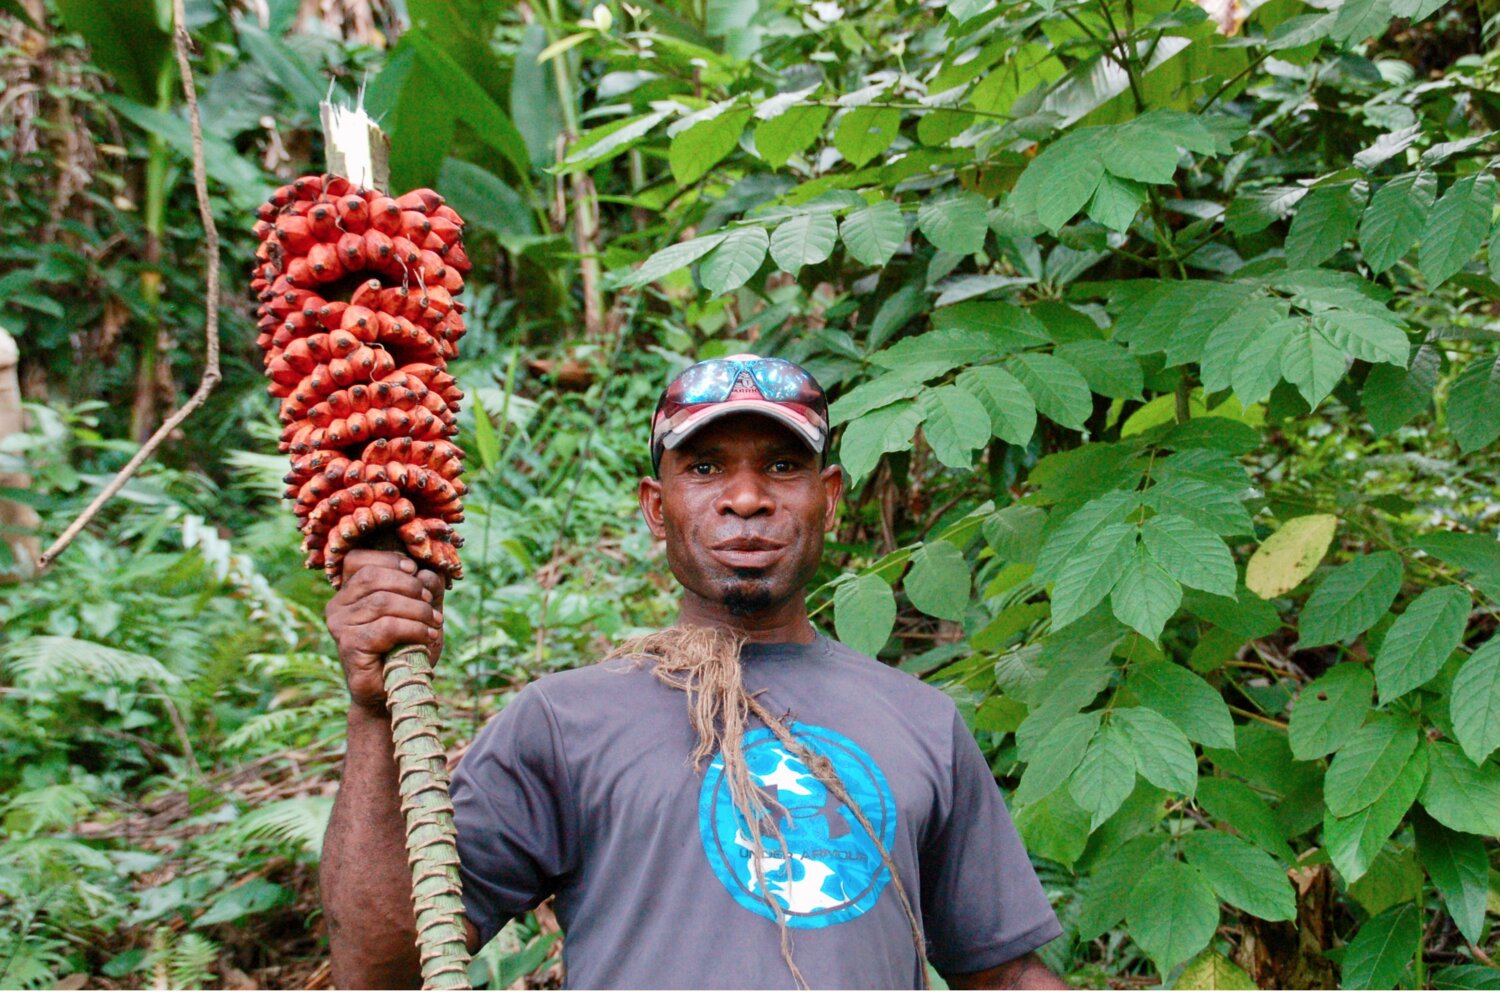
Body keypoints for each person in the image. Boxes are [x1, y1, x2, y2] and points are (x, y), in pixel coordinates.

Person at [320, 355, 1067, 990]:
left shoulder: (922, 722)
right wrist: (375, 710)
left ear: (829, 497)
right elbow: (384, 969)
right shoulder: (564, 722)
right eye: (705, 468)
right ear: (657, 505)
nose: (746, 499)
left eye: (782, 466)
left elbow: (1003, 972)